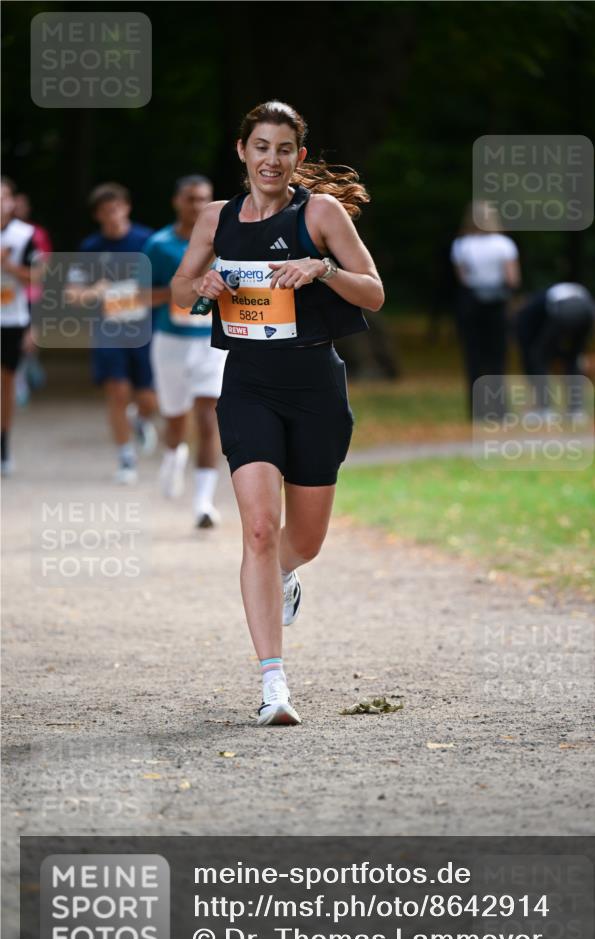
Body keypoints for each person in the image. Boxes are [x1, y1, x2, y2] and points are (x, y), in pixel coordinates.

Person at [171, 100, 384, 726]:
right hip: (249, 386)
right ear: (242, 151)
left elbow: (372, 287)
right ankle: (274, 685)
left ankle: (285, 573)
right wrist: (202, 285)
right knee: (259, 529)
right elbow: (183, 288)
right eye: (261, 146)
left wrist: (322, 269)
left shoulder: (319, 212)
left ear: (300, 157)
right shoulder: (214, 219)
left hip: (316, 386)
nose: (272, 159)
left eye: (284, 149)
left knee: (305, 541)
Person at [145, 175, 226, 528]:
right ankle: (173, 454)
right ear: (177, 201)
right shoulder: (159, 245)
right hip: (171, 342)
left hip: (211, 341)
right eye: (191, 199)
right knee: (175, 420)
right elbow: (140, 296)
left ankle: (203, 503)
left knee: (208, 418)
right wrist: (186, 289)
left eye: (204, 199)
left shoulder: (226, 241)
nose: (197, 205)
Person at [67, 183, 157, 484]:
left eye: (116, 207)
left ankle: (142, 419)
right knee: (117, 392)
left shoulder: (148, 241)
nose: (113, 215)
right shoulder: (91, 248)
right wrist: (95, 291)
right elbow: (73, 294)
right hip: (109, 330)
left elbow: (168, 286)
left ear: (127, 207)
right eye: (106, 211)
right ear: (98, 216)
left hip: (145, 329)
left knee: (149, 399)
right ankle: (125, 457)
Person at [451, 201, 521, 421]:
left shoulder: (462, 244)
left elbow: (462, 277)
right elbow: (512, 279)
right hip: (497, 304)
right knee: (497, 357)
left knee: (473, 356)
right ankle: (499, 410)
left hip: (471, 302)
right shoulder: (504, 244)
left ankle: (476, 411)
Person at [0, 177, 40, 475]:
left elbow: (38, 279)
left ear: (12, 202)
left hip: (11, 319)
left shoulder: (24, 235)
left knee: (5, 387)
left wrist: (9, 266)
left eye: (3, 198)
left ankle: (4, 447)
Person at [515, 282, 595, 418]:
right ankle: (576, 411)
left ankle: (544, 409)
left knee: (537, 356)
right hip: (591, 312)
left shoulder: (532, 304)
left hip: (564, 311)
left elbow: (526, 336)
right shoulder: (554, 292)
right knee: (574, 358)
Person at [12, 191, 51, 405]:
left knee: (28, 340)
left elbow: (42, 266)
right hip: (7, 296)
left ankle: (24, 375)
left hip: (30, 293)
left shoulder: (35, 233)